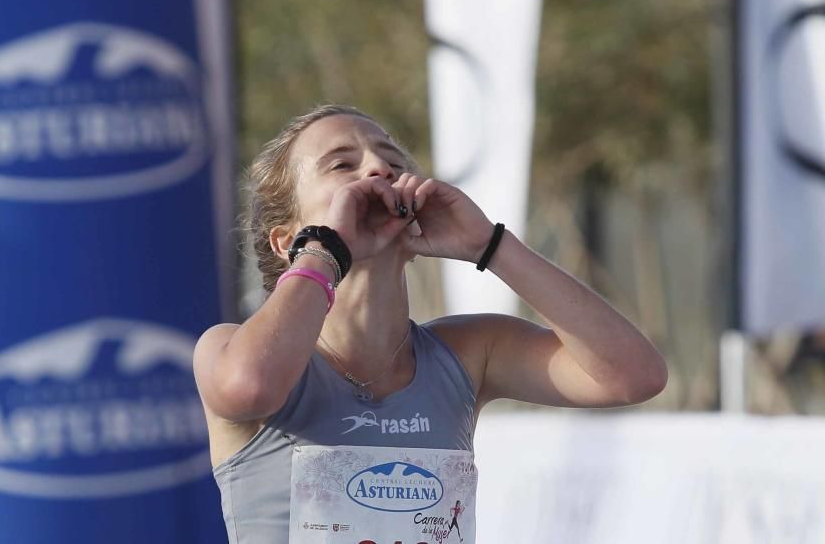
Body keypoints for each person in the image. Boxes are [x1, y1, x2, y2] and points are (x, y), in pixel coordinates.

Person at [193, 104, 667, 544]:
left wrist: (492, 246)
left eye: (393, 164)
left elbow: (634, 376)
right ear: (286, 240)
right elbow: (249, 389)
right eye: (342, 165)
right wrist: (323, 249)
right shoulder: (232, 348)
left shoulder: (469, 351)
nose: (378, 171)